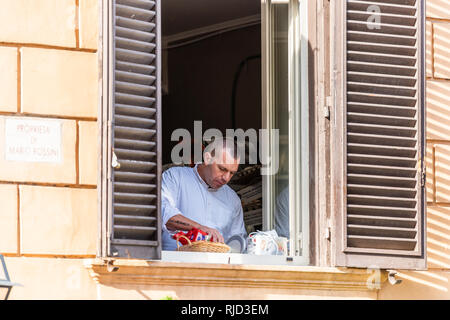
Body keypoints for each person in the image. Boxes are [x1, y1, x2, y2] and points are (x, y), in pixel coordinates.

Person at [161, 138, 247, 251]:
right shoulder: (175, 177)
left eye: (231, 173)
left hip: (215, 266)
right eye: (222, 169)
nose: (226, 178)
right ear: (207, 158)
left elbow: (238, 242)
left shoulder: (233, 199)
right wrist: (199, 228)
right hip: (173, 263)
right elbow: (163, 214)